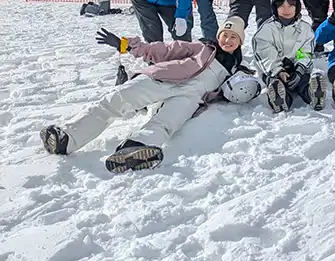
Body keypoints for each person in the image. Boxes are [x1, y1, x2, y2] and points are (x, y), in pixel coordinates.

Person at [40, 17, 255, 173]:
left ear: (240, 42)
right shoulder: (202, 47)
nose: (228, 40)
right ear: (218, 35)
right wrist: (129, 46)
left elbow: (241, 90)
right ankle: (67, 138)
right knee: (117, 100)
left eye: (234, 37)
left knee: (167, 122)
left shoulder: (237, 69)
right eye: (225, 35)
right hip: (164, 78)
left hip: (191, 96)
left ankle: (135, 148)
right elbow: (165, 49)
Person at [252, 0, 327, 112]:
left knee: (303, 80)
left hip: (296, 67)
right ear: (275, 8)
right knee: (275, 81)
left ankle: (312, 94)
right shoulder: (267, 29)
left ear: (297, 7)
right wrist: (278, 71)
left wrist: (299, 70)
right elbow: (265, 52)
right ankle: (280, 98)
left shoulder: (305, 28)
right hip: (273, 69)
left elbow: (305, 50)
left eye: (290, 6)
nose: (286, 10)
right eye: (281, 6)